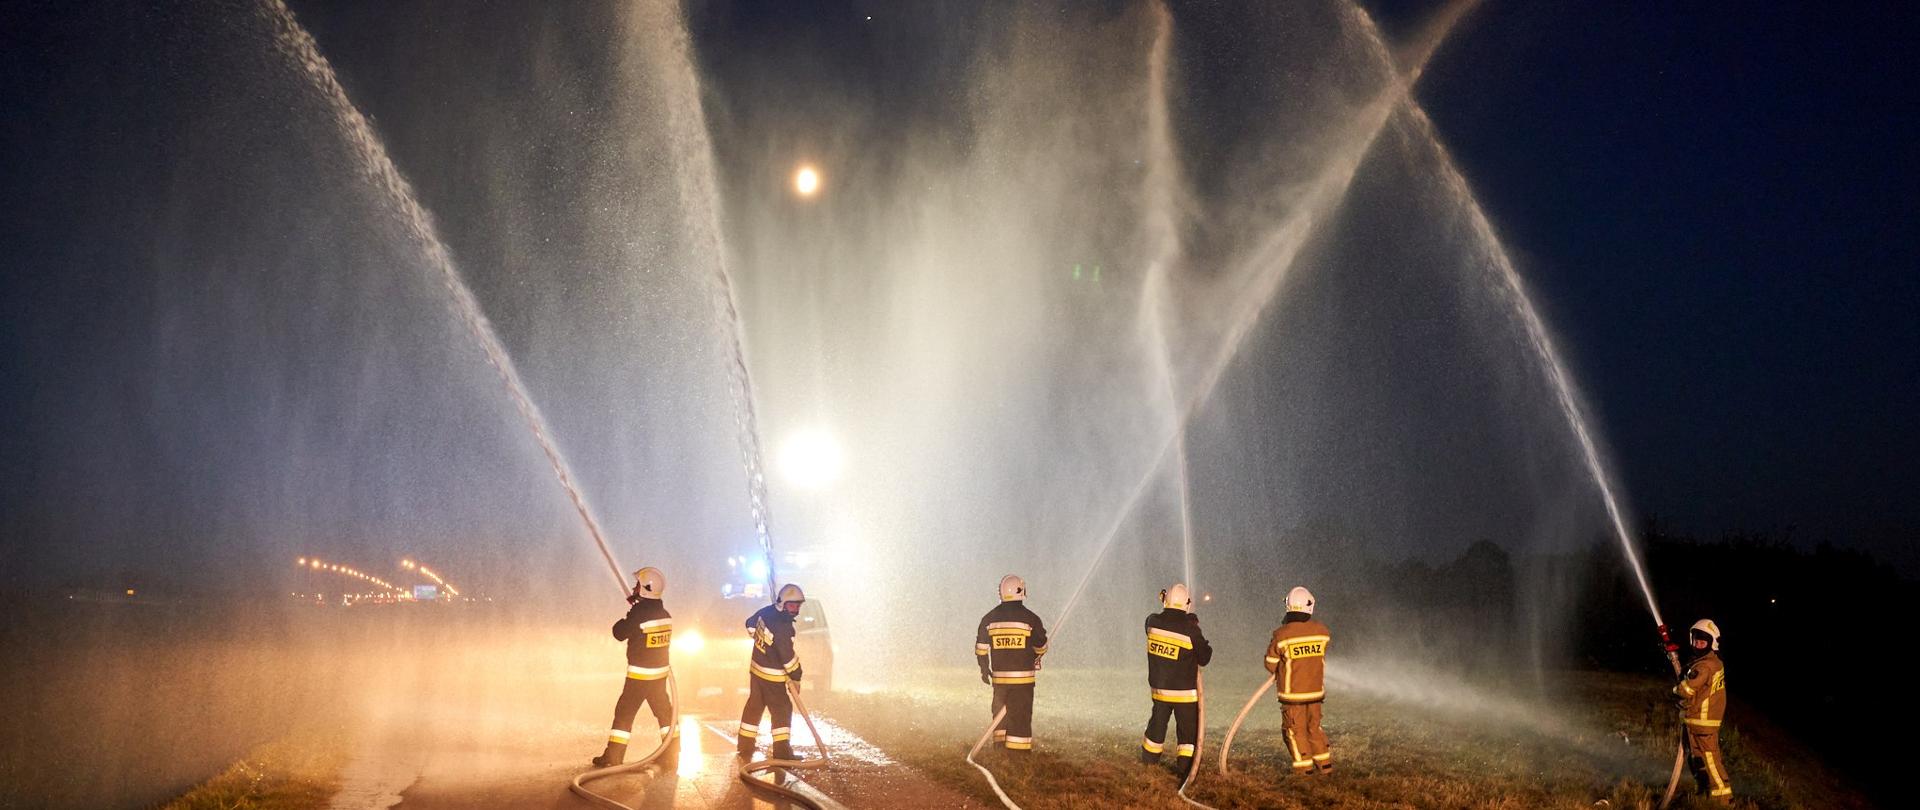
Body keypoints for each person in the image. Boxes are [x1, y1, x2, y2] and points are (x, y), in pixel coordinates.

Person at [592, 566, 677, 767]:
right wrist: (637, 607)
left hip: (640, 676)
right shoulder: (664, 613)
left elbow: (619, 633)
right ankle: (672, 755)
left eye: (637, 584)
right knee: (665, 714)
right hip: (659, 675)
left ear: (645, 588)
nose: (634, 587)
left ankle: (613, 758)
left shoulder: (639, 614)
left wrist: (631, 613)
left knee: (624, 713)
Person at [1141, 583, 1212, 777]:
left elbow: (1152, 625)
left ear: (1165, 600)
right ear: (1187, 604)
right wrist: (1193, 626)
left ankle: (1149, 761)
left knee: (1157, 725)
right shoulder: (1190, 630)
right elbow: (1205, 657)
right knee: (1187, 734)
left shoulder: (1152, 622)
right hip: (1184, 694)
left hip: (1160, 690)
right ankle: (1185, 768)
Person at [975, 574, 1048, 752]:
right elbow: (1041, 646)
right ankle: (1019, 754)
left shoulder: (988, 619)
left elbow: (981, 649)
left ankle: (1000, 748)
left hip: (1000, 681)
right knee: (1020, 715)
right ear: (1021, 591)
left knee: (999, 713)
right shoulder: (1031, 619)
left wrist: (985, 670)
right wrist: (1037, 653)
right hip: (1023, 681)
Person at [1264, 586, 1331, 775]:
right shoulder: (1322, 631)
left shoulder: (1282, 634)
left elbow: (1270, 664)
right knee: (1314, 729)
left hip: (1293, 696)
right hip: (1316, 693)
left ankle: (1304, 771)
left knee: (1294, 732)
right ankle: (1325, 767)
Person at [737, 583, 806, 759]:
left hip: (756, 671)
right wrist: (796, 675)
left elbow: (750, 625)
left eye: (798, 605)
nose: (795, 610)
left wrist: (763, 641)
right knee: (782, 708)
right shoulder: (783, 626)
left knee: (754, 706)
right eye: (792, 605)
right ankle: (782, 752)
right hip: (772, 676)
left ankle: (745, 746)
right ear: (782, 603)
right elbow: (787, 656)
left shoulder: (766, 612)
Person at [1674, 619, 1732, 803]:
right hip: (1700, 721)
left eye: (1702, 642)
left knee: (1710, 761)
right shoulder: (1712, 662)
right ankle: (1706, 790)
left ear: (1711, 643)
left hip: (1702, 721)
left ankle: (1723, 800)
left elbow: (1686, 690)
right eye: (1696, 641)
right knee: (1699, 759)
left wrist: (1676, 689)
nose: (1698, 645)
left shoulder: (1705, 666)